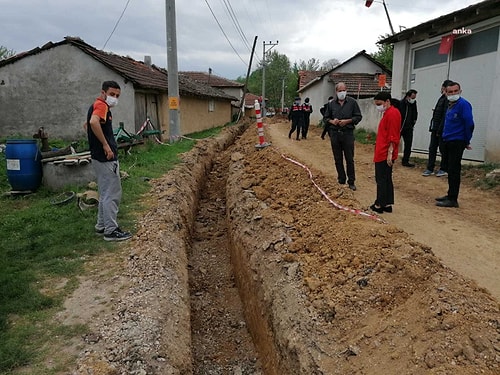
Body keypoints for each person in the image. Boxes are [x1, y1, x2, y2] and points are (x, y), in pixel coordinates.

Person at [86, 80, 132, 241]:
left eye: (117, 96)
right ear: (103, 92)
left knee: (105, 192)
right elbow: (92, 122)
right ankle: (111, 231)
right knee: (112, 193)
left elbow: (88, 124)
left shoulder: (96, 106)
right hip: (105, 158)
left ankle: (101, 226)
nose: (114, 98)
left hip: (98, 157)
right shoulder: (101, 105)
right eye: (112, 94)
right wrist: (106, 145)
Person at [435, 81, 474, 208]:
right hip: (448, 140)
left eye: (455, 91)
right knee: (449, 169)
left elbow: (469, 124)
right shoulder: (450, 104)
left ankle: (453, 199)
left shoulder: (463, 105)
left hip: (457, 141)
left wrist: (466, 141)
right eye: (450, 92)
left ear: (460, 91)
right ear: (445, 92)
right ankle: (450, 194)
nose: (453, 94)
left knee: (454, 170)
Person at [322, 82, 362, 190]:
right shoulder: (331, 104)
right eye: (340, 91)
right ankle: (341, 179)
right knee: (338, 159)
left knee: (349, 159)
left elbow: (358, 117)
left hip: (348, 134)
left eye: (344, 90)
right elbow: (325, 118)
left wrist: (348, 121)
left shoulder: (352, 103)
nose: (342, 93)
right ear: (336, 92)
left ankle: (351, 181)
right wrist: (332, 121)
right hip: (335, 134)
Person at [370, 91, 401, 214]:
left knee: (381, 179)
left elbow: (393, 135)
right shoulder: (388, 113)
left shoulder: (392, 114)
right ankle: (387, 203)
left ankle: (379, 204)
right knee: (386, 178)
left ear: (387, 101)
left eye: (379, 104)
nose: (378, 106)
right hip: (383, 150)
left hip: (384, 152)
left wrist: (390, 153)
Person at [422, 80, 453, 177]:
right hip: (435, 128)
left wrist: (440, 130)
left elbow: (445, 116)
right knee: (432, 148)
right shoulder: (441, 98)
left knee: (443, 150)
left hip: (442, 130)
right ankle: (430, 168)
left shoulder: (448, 100)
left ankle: (444, 168)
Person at [399, 89, 418, 167]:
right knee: (394, 143)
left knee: (408, 145)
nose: (413, 99)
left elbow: (415, 114)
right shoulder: (401, 104)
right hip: (400, 127)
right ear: (408, 96)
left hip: (409, 128)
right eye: (412, 97)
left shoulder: (413, 104)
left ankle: (405, 161)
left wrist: (413, 123)